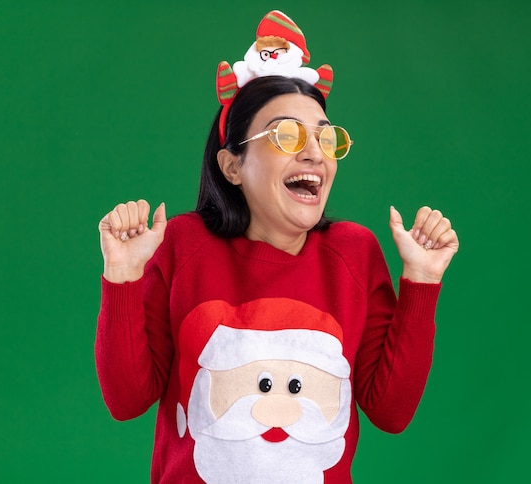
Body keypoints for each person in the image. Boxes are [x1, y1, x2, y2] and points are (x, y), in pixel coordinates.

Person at [95, 10, 459, 484]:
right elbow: (126, 402)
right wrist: (121, 275)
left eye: (325, 138)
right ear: (231, 166)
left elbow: (391, 412)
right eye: (287, 134)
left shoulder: (354, 253)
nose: (313, 153)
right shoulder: (182, 245)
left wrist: (422, 282)